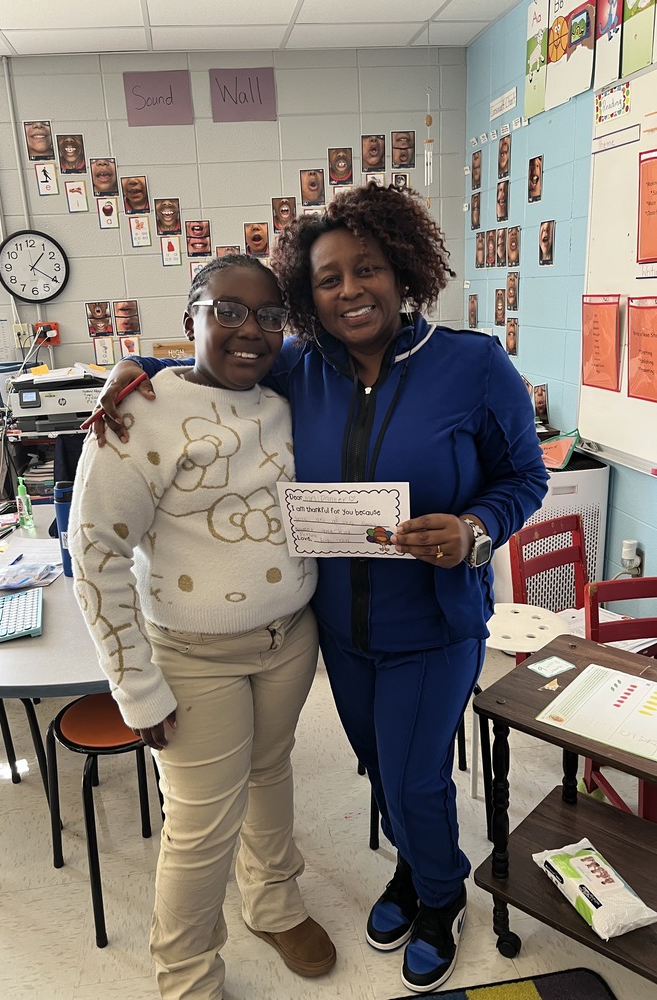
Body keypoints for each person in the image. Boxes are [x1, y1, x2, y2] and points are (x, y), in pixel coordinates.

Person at [89, 183, 548, 995]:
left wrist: (475, 530)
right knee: (382, 767)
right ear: (309, 298)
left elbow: (524, 476)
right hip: (337, 629)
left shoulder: (473, 364)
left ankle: (442, 897)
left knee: (414, 777)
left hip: (435, 622)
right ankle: (412, 870)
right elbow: (221, 358)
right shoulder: (301, 367)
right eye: (328, 279)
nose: (349, 291)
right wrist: (138, 367)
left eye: (365, 269)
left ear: (402, 272)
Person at [69, 255, 336, 1000]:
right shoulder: (135, 414)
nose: (250, 331)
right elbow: (95, 556)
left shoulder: (281, 394)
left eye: (269, 317)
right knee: (201, 825)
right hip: (192, 655)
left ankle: (274, 902)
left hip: (289, 637)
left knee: (270, 773)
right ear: (190, 314)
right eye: (226, 311)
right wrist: (136, 690)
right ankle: (186, 977)